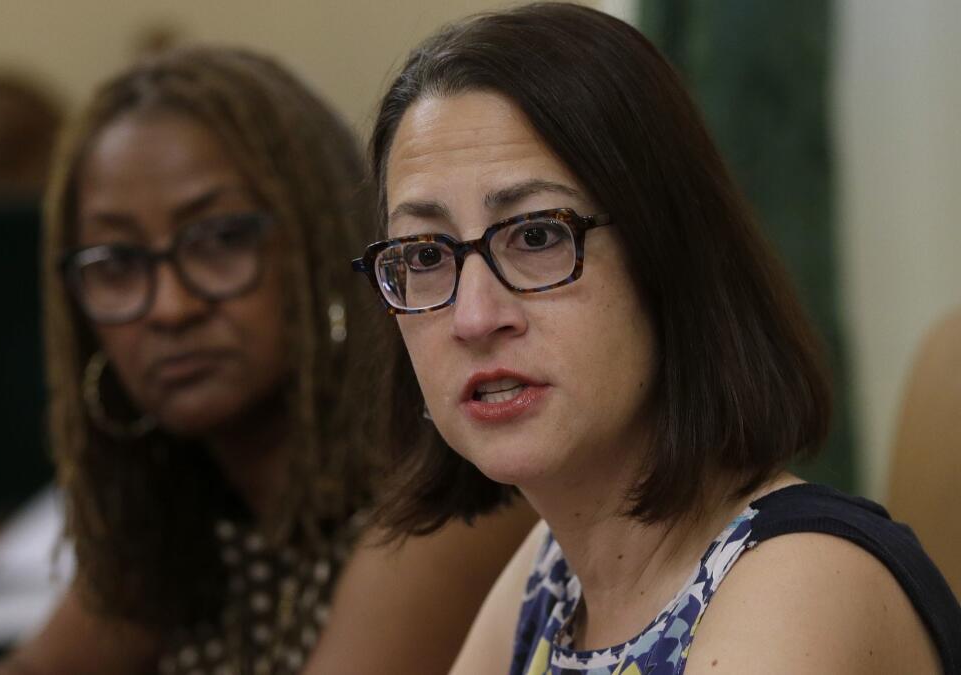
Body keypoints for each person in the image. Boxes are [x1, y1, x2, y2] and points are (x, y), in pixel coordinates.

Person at [0, 47, 535, 675]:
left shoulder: (446, 491)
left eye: (220, 239)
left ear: (323, 245)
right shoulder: (176, 504)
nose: (169, 307)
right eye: (118, 262)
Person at [352, 3, 961, 674]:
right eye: (426, 254)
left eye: (536, 236)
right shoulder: (553, 571)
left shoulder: (802, 580)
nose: (473, 316)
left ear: (668, 254)